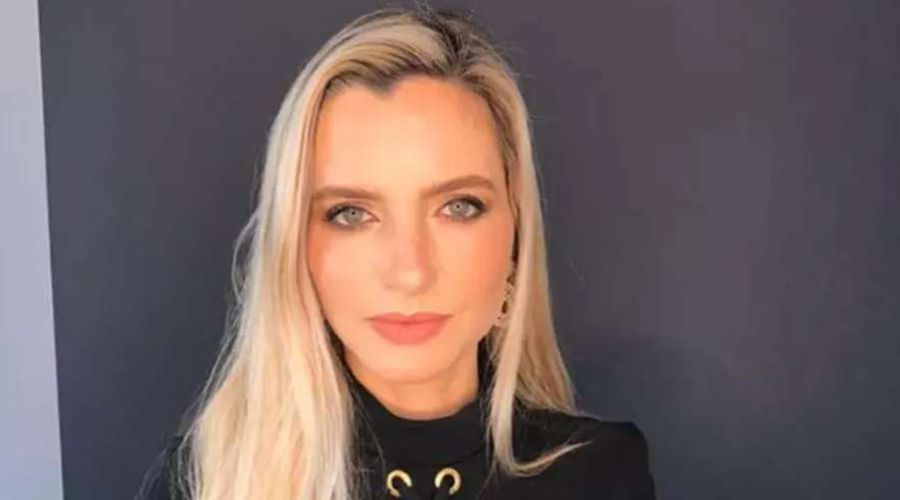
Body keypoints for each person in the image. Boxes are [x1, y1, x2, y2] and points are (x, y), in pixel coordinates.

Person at [137, 5, 656, 500]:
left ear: (516, 237)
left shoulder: (600, 474)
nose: (410, 272)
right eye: (351, 214)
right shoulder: (208, 481)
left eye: (458, 207)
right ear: (295, 248)